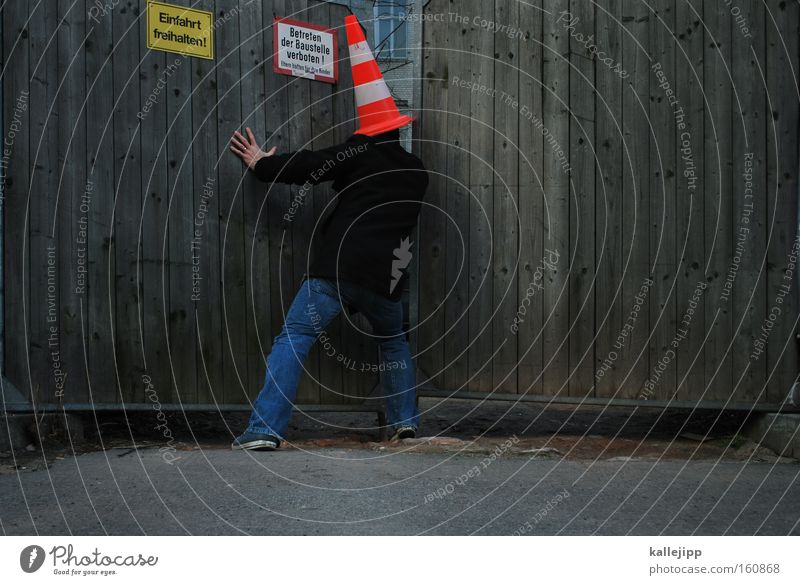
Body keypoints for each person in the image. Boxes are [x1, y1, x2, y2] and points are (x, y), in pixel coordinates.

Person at [229, 15, 428, 451]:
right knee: (394, 344)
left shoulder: (358, 152)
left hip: (337, 269)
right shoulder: (416, 171)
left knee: (294, 338)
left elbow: (307, 165)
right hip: (388, 280)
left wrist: (262, 163)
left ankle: (264, 430)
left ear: (367, 130)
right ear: (397, 127)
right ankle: (405, 424)